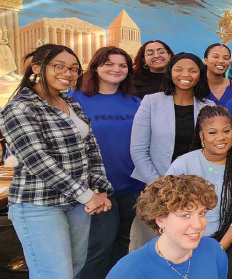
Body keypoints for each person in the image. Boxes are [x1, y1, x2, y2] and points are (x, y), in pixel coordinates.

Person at [1, 44, 114, 278]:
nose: (68, 73)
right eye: (59, 66)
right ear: (36, 67)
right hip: (39, 203)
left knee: (73, 269)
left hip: (77, 203)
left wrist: (100, 190)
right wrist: (87, 195)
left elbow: (91, 149)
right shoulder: (20, 107)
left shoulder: (70, 103)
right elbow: (38, 160)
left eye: (74, 69)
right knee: (54, 274)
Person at [67, 46, 145, 279]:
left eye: (122, 65)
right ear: (96, 67)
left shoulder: (135, 101)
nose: (116, 69)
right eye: (108, 64)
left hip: (131, 184)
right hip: (96, 187)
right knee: (99, 247)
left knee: (122, 243)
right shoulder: (74, 99)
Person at [129, 52, 216, 250]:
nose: (185, 74)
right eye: (179, 69)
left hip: (195, 192)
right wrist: (159, 186)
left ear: (200, 75)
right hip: (156, 190)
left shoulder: (209, 107)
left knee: (186, 246)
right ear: (170, 73)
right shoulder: (151, 102)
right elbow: (138, 150)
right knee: (152, 247)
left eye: (192, 70)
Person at [165, 106, 232, 279]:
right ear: (201, 136)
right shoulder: (183, 165)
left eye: (226, 131)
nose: (221, 138)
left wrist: (220, 247)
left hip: (229, 236)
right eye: (212, 132)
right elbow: (166, 206)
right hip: (185, 236)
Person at [107, 175, 229, 278]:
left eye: (202, 213)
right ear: (160, 220)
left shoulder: (213, 251)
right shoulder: (128, 271)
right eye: (185, 215)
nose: (198, 225)